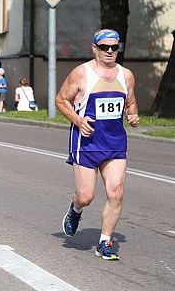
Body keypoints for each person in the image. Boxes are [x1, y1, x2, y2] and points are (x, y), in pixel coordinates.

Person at [56, 29, 140, 260]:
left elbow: (131, 103)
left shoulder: (127, 75)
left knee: (116, 193)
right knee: (86, 196)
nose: (110, 51)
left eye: (115, 47)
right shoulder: (81, 73)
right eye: (105, 47)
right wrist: (78, 120)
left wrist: (133, 116)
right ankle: (75, 210)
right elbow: (61, 100)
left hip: (115, 144)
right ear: (94, 48)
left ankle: (105, 242)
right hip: (87, 143)